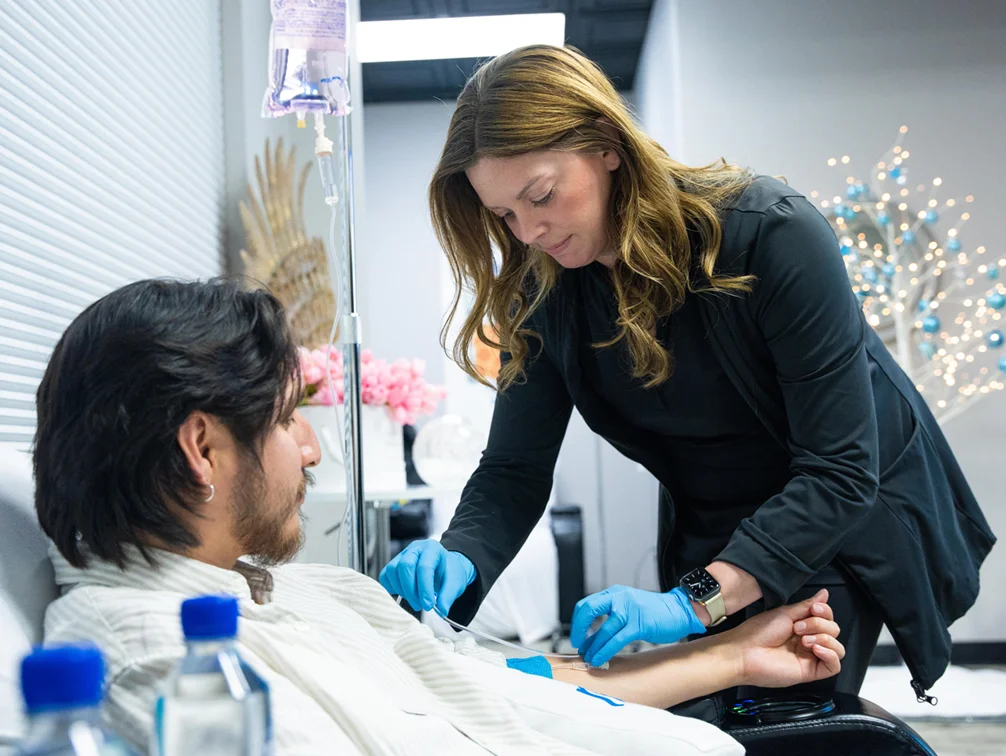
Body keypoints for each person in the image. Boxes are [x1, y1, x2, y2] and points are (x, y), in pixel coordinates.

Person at [379, 44, 996, 704]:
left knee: (790, 716)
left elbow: (839, 469)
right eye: (504, 215)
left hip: (828, 512)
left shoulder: (771, 235)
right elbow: (515, 469)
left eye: (541, 195)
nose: (529, 231)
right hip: (711, 519)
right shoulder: (544, 290)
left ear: (607, 144)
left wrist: (689, 603)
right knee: (696, 712)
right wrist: (461, 552)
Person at [34, 279, 845, 755]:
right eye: (287, 420)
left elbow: (496, 680)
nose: (312, 452)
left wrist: (732, 656)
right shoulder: (164, 662)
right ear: (203, 451)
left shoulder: (286, 595)